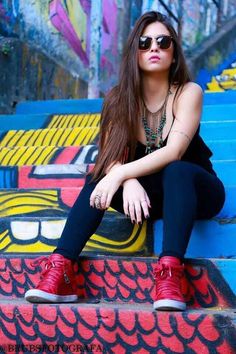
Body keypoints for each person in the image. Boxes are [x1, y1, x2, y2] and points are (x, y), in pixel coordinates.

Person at [25, 11, 225, 311]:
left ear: (174, 52)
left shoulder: (189, 92)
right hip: (147, 198)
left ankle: (170, 275)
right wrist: (126, 180)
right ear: (134, 53)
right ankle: (61, 268)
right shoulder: (119, 99)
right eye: (144, 43)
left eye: (163, 41)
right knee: (96, 179)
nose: (154, 47)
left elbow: (173, 152)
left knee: (177, 170)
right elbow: (109, 157)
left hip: (196, 192)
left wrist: (118, 176)